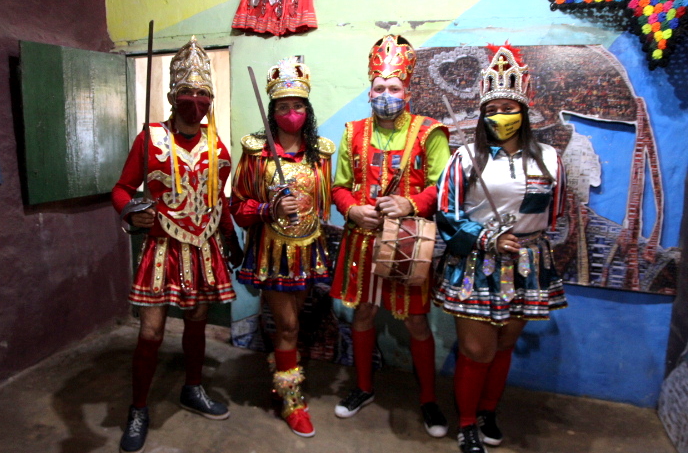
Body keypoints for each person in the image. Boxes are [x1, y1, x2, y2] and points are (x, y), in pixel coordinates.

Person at [111, 36, 243, 453]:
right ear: (172, 96)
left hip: (203, 248)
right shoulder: (149, 139)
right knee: (150, 331)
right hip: (161, 247)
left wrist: (232, 237)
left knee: (198, 321)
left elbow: (217, 199)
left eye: (203, 93)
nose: (195, 100)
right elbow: (121, 188)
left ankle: (193, 386)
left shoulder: (217, 146)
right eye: (187, 92)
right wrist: (133, 212)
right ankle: (138, 407)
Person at [434, 44, 567, 453]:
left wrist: (528, 240)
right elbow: (445, 212)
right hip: (478, 262)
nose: (501, 117)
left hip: (527, 263)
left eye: (509, 108)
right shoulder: (466, 157)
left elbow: (555, 211)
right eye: (493, 109)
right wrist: (487, 237)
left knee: (505, 344)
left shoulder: (548, 157)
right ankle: (467, 422)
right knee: (478, 349)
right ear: (483, 113)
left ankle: (489, 410)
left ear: (524, 111)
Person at [330, 34, 451, 438]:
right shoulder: (353, 132)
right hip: (361, 242)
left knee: (417, 322)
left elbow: (442, 186)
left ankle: (428, 399)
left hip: (407, 243)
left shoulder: (430, 132)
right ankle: (363, 388)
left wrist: (411, 204)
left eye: (394, 88)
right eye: (379, 87)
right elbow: (339, 186)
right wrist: (351, 208)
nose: (386, 94)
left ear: (408, 90)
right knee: (362, 313)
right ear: (369, 90)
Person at [230, 56, 334, 438]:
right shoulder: (256, 152)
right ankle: (293, 402)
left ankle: (282, 381)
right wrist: (266, 207)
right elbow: (238, 207)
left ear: (307, 110)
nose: (292, 113)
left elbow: (323, 204)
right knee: (287, 324)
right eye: (284, 107)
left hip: (307, 250)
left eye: (298, 106)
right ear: (273, 111)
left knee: (295, 325)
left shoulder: (320, 154)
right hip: (271, 253)